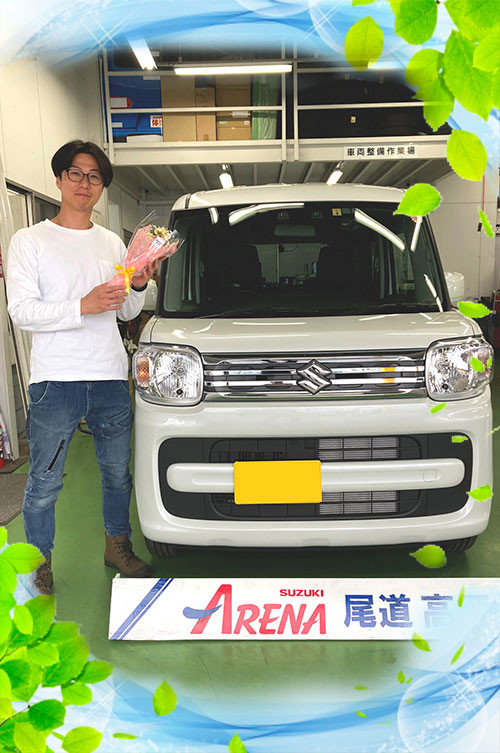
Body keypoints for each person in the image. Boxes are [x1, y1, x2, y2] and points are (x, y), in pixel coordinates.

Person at [6, 140, 158, 594]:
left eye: (94, 177)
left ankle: (117, 545)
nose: (84, 183)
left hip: (109, 376)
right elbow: (21, 311)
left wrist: (138, 284)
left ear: (102, 187)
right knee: (44, 482)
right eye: (76, 173)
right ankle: (38, 564)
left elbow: (125, 311)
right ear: (59, 179)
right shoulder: (29, 240)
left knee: (117, 474)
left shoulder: (111, 242)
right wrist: (82, 305)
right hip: (55, 381)